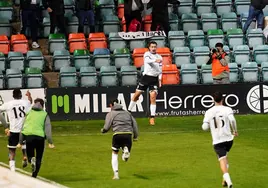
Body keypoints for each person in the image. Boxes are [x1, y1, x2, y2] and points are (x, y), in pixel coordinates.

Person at [202, 91, 238, 188]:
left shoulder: (209, 112)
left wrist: (207, 125)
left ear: (213, 100)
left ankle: (229, 181)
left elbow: (204, 127)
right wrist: (235, 130)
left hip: (218, 140)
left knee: (222, 159)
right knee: (225, 157)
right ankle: (224, 180)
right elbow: (232, 120)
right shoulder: (227, 109)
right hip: (229, 139)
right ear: (222, 99)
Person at [101, 99, 138, 180]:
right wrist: (135, 136)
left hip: (117, 135)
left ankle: (116, 174)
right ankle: (125, 149)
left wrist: (103, 131)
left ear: (111, 105)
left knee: (114, 154)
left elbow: (107, 127)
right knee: (125, 158)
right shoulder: (128, 113)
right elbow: (134, 124)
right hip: (128, 135)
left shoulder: (111, 114)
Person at [128, 41, 162, 126]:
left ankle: (152, 118)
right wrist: (155, 60)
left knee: (153, 96)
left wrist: (160, 80)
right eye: (152, 47)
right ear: (149, 48)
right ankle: (128, 113)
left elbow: (160, 69)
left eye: (155, 47)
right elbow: (148, 61)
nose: (153, 48)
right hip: (146, 78)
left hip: (154, 79)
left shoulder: (159, 57)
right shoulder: (147, 54)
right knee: (136, 95)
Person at [18, 98, 55, 178]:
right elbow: (48, 129)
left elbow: (23, 127)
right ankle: (34, 176)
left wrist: (20, 142)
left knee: (30, 155)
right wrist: (50, 142)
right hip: (40, 138)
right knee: (39, 157)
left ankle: (31, 160)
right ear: (43, 106)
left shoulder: (28, 113)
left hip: (29, 137)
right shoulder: (45, 114)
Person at [0, 89, 32, 171]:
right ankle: (25, 156)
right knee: (24, 144)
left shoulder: (9, 104)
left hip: (13, 130)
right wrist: (29, 96)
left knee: (12, 150)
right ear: (21, 95)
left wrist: (5, 126)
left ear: (13, 96)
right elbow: (30, 102)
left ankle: (12, 170)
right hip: (23, 130)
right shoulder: (25, 103)